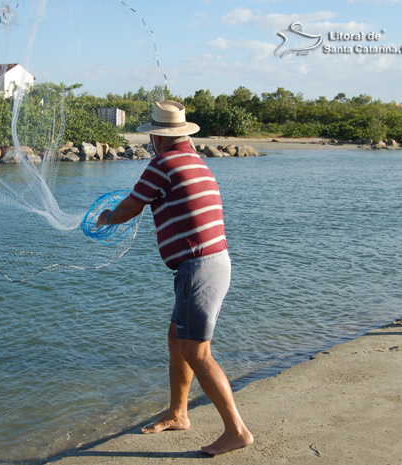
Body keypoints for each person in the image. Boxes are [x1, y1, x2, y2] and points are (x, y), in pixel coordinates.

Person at [95, 100, 254, 456]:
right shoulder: (195, 162)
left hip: (199, 267)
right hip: (207, 265)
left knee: (197, 352)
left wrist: (107, 218)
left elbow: (132, 206)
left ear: (157, 136)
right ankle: (178, 413)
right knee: (176, 337)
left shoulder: (163, 163)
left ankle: (236, 430)